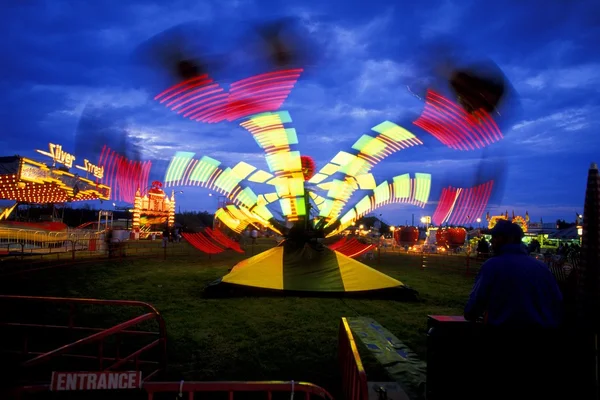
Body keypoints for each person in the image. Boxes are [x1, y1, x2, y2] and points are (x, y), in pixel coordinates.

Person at [464, 219, 565, 399]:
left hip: (506, 340)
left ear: (506, 239)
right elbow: (557, 301)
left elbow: (474, 307)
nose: (492, 242)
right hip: (544, 342)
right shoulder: (540, 267)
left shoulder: (493, 266)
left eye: (495, 238)